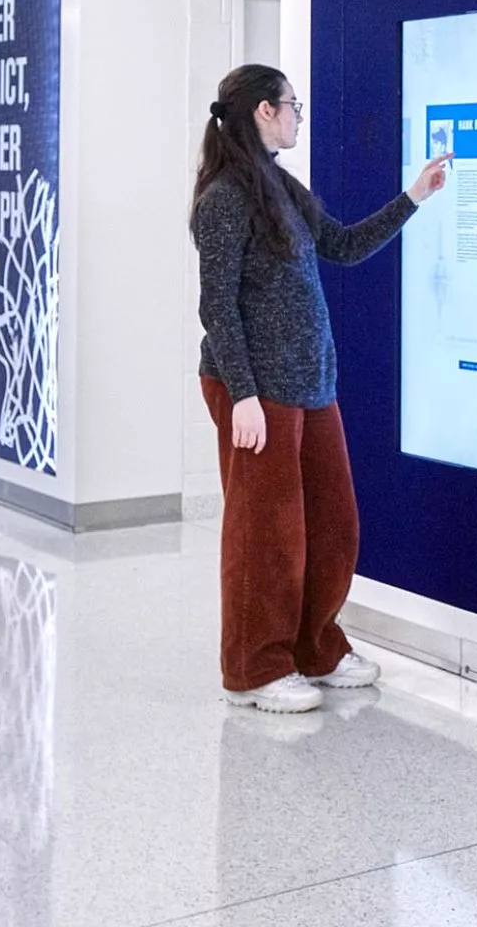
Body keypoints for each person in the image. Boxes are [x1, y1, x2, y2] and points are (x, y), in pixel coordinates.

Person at [193, 64, 451, 714]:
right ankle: (253, 667)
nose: (298, 116)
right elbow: (217, 306)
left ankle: (313, 646)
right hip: (255, 391)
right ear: (262, 112)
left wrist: (414, 196)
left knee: (333, 525)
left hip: (310, 385)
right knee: (265, 534)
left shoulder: (280, 186)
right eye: (292, 106)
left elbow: (342, 245)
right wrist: (244, 394)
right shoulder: (225, 196)